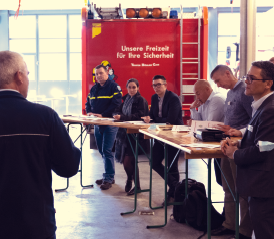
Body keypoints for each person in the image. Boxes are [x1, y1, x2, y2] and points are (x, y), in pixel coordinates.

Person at [0, 51, 81, 239]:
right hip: (35, 223)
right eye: (28, 74)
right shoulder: (45, 116)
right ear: (19, 76)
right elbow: (69, 167)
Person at [222, 61, 274, 239]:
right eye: (246, 77)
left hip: (264, 187)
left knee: (264, 231)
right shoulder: (260, 107)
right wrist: (240, 144)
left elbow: (264, 149)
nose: (246, 81)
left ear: (268, 83)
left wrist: (234, 154)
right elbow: (260, 139)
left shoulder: (269, 110)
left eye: (252, 78)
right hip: (260, 186)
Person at [210, 65, 254, 239]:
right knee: (228, 188)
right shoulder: (230, 93)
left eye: (218, 80)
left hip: (240, 148)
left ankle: (244, 231)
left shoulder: (245, 91)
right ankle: (229, 224)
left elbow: (254, 122)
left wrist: (238, 130)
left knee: (241, 190)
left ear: (227, 73)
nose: (218, 85)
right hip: (226, 145)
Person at [142, 75, 183, 206]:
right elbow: (153, 116)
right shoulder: (154, 98)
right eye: (154, 85)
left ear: (165, 85)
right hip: (159, 134)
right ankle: (176, 186)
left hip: (174, 134)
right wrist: (150, 119)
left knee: (172, 166)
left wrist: (154, 120)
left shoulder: (173, 98)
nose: (156, 88)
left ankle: (172, 196)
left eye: (158, 84)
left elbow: (170, 120)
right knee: (153, 162)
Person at [85, 64, 122, 190]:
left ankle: (109, 178)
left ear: (107, 73)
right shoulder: (94, 88)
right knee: (101, 150)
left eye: (100, 73)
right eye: (96, 74)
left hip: (109, 124)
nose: (98, 76)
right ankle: (108, 175)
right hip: (97, 123)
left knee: (106, 150)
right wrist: (89, 112)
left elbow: (116, 104)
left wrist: (103, 115)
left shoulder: (114, 87)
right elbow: (87, 102)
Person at [113, 78, 149, 195]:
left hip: (135, 135)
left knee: (130, 160)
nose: (132, 89)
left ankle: (137, 185)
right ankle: (129, 179)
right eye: (130, 87)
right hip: (125, 135)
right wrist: (116, 115)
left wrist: (122, 117)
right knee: (125, 160)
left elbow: (140, 116)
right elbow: (116, 111)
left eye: (134, 87)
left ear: (138, 88)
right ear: (127, 88)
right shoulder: (126, 99)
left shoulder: (141, 100)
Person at [190, 79, 225, 187]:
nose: (197, 97)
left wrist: (198, 124)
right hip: (212, 141)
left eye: (198, 94)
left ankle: (230, 203)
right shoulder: (203, 102)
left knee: (223, 180)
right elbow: (198, 123)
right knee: (220, 179)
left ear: (207, 89)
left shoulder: (217, 99)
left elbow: (209, 125)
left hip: (220, 142)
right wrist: (192, 109)